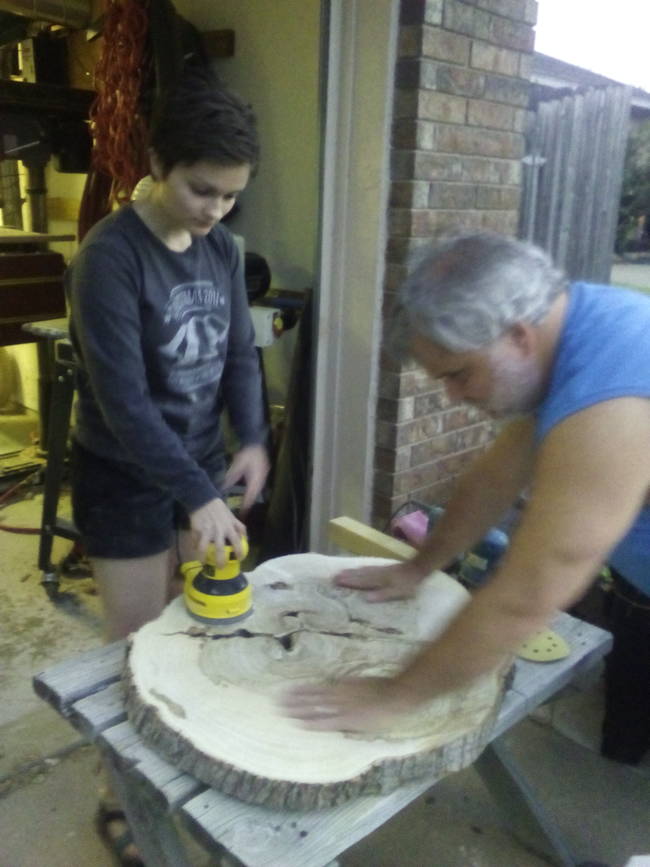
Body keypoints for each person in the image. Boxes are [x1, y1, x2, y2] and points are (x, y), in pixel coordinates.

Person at [284, 231, 650, 767]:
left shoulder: (610, 399)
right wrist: (419, 568)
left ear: (518, 336)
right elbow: (493, 478)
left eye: (459, 374)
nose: (452, 396)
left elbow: (531, 590)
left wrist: (394, 697)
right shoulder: (575, 332)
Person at [66, 65, 269, 862]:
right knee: (139, 645)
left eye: (229, 195)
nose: (215, 210)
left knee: (198, 632)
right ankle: (123, 797)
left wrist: (252, 439)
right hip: (123, 471)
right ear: (155, 163)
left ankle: (187, 765)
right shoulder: (109, 259)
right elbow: (123, 404)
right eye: (200, 190)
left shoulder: (220, 247)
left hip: (201, 464)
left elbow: (242, 354)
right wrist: (195, 494)